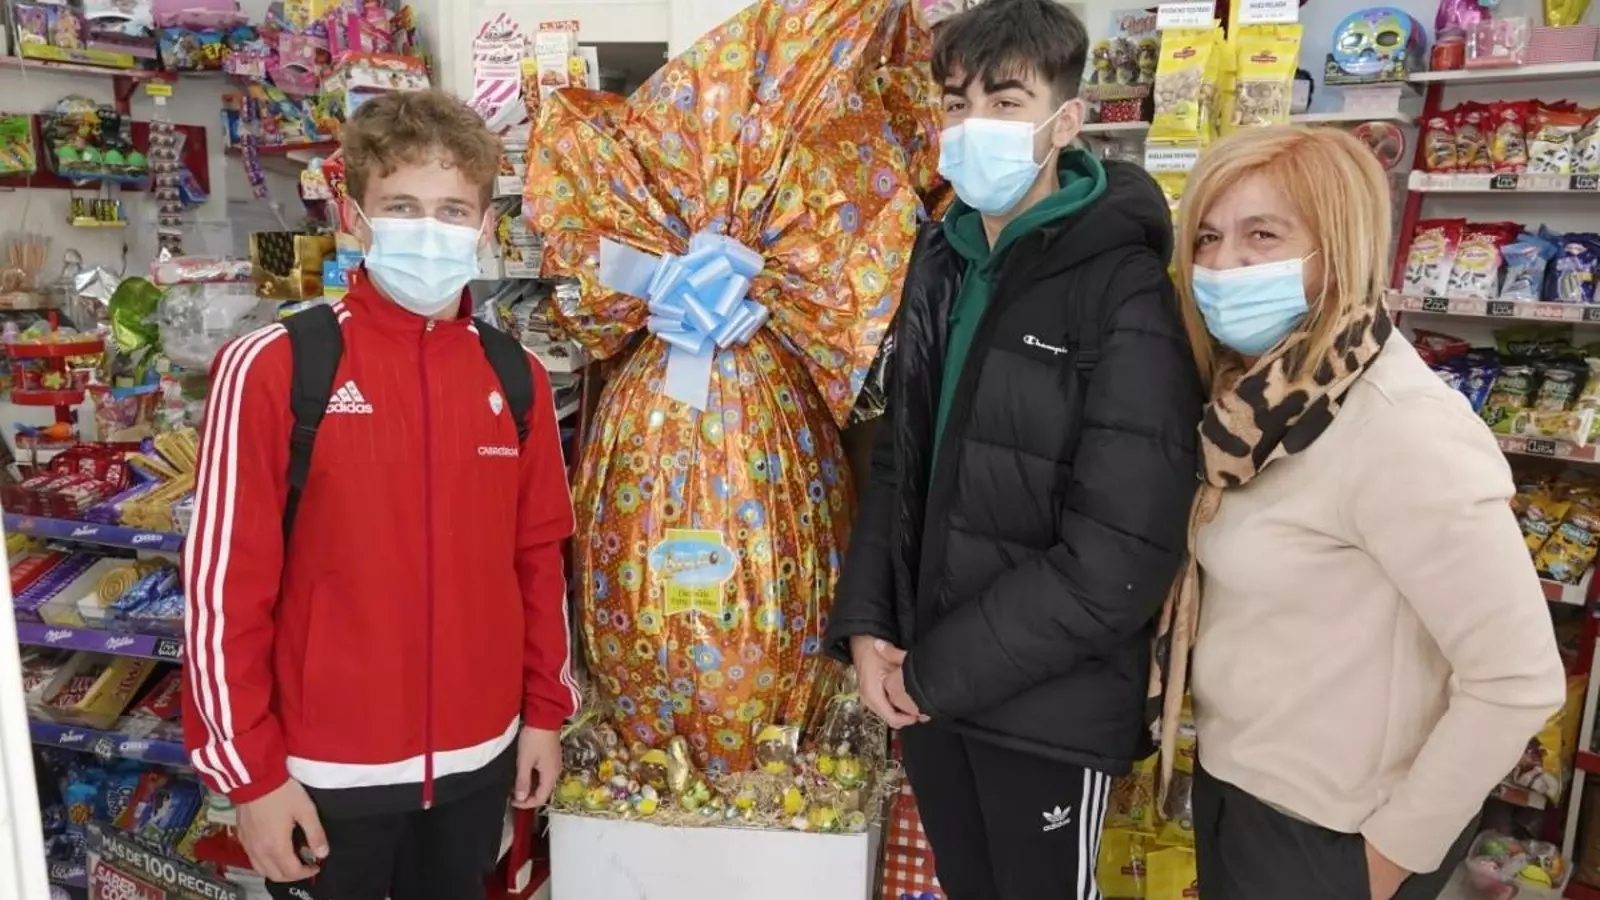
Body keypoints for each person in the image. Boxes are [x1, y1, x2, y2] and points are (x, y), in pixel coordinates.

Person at [823, 1, 1203, 896]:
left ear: (1066, 122)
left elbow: (1118, 557)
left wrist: (937, 672)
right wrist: (871, 627)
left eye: (1005, 102)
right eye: (957, 104)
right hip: (930, 692)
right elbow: (900, 463)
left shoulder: (1124, 289)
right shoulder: (943, 261)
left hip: (1045, 711)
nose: (973, 126)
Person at [181, 89, 579, 900]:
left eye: (452, 210)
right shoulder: (276, 367)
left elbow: (538, 562)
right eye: (402, 206)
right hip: (324, 773)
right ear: (355, 217)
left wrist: (545, 712)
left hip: (479, 759)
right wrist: (250, 777)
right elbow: (224, 592)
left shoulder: (517, 377)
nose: (430, 230)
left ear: (485, 227)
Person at [1155, 124, 1568, 900]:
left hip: (1331, 835)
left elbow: (1517, 679)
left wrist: (1384, 862)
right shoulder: (1255, 407)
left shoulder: (1401, 427)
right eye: (1207, 237)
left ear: (1337, 252)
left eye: (1262, 235)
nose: (1222, 265)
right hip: (1239, 791)